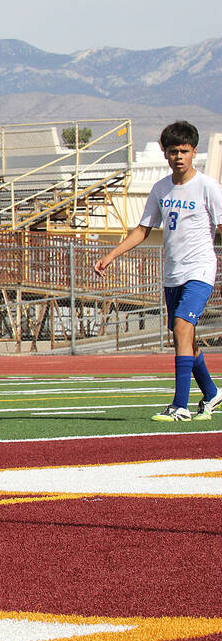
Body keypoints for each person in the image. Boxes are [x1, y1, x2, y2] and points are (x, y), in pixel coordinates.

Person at [94, 121, 222, 422]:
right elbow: (142, 229)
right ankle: (212, 392)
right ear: (166, 154)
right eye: (173, 151)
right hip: (172, 274)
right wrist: (111, 255)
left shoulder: (208, 187)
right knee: (182, 337)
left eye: (185, 151)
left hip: (200, 270)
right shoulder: (161, 188)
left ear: (194, 152)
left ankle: (180, 405)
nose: (179, 156)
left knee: (181, 328)